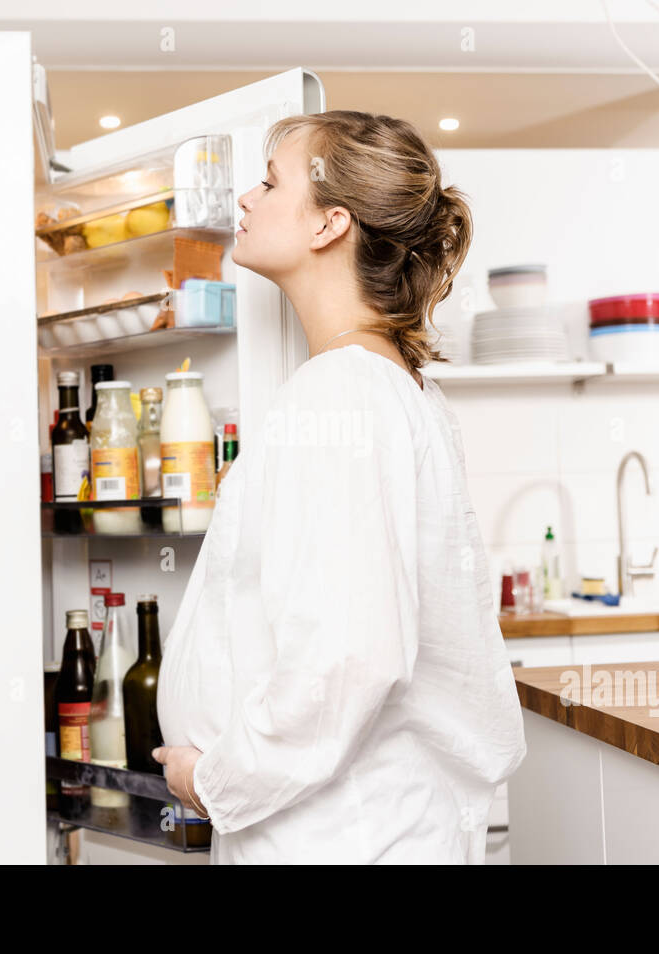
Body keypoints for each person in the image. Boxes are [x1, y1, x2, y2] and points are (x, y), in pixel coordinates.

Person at [152, 110, 527, 863]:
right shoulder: (395, 388)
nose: (246, 200)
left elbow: (352, 656)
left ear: (330, 222)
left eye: (269, 181)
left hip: (340, 835)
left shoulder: (341, 395)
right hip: (369, 827)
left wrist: (214, 779)